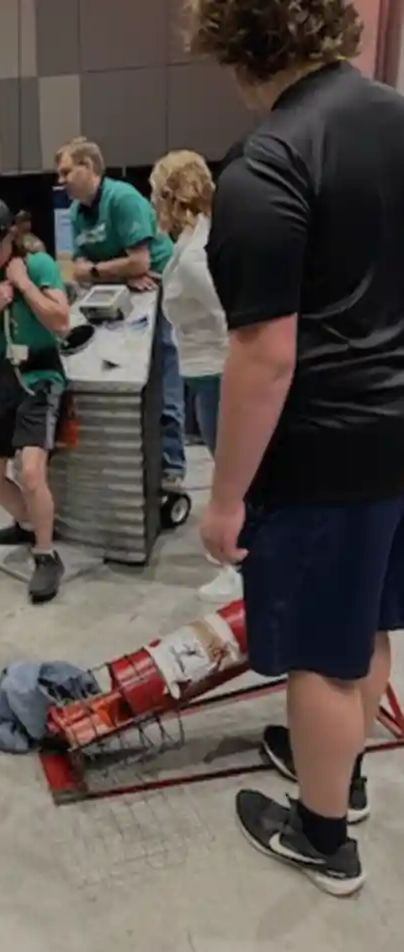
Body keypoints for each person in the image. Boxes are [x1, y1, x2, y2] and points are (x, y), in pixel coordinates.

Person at [192, 0, 404, 897]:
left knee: (322, 649)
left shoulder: (267, 162)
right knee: (369, 623)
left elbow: (264, 354)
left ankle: (324, 833)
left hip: (326, 448)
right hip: (400, 432)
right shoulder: (398, 115)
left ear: (237, 50)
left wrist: (226, 499)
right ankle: (339, 772)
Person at [0, 198, 70, 603]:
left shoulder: (38, 266)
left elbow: (60, 321)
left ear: (10, 236)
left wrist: (23, 285)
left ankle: (46, 552)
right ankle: (29, 522)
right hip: (3, 378)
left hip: (40, 374)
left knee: (31, 470)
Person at [55, 137, 185, 490]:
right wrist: (118, 270)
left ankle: (172, 467)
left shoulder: (122, 198)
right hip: (115, 296)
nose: (61, 180)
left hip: (153, 293)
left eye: (67, 171)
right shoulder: (76, 212)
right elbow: (78, 268)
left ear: (89, 167)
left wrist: (99, 270)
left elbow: (140, 262)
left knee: (161, 376)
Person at [150, 150, 241, 604]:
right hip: (207, 372)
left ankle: (238, 568)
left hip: (218, 373)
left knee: (232, 474)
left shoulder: (193, 254)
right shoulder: (194, 242)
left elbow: (230, 316)